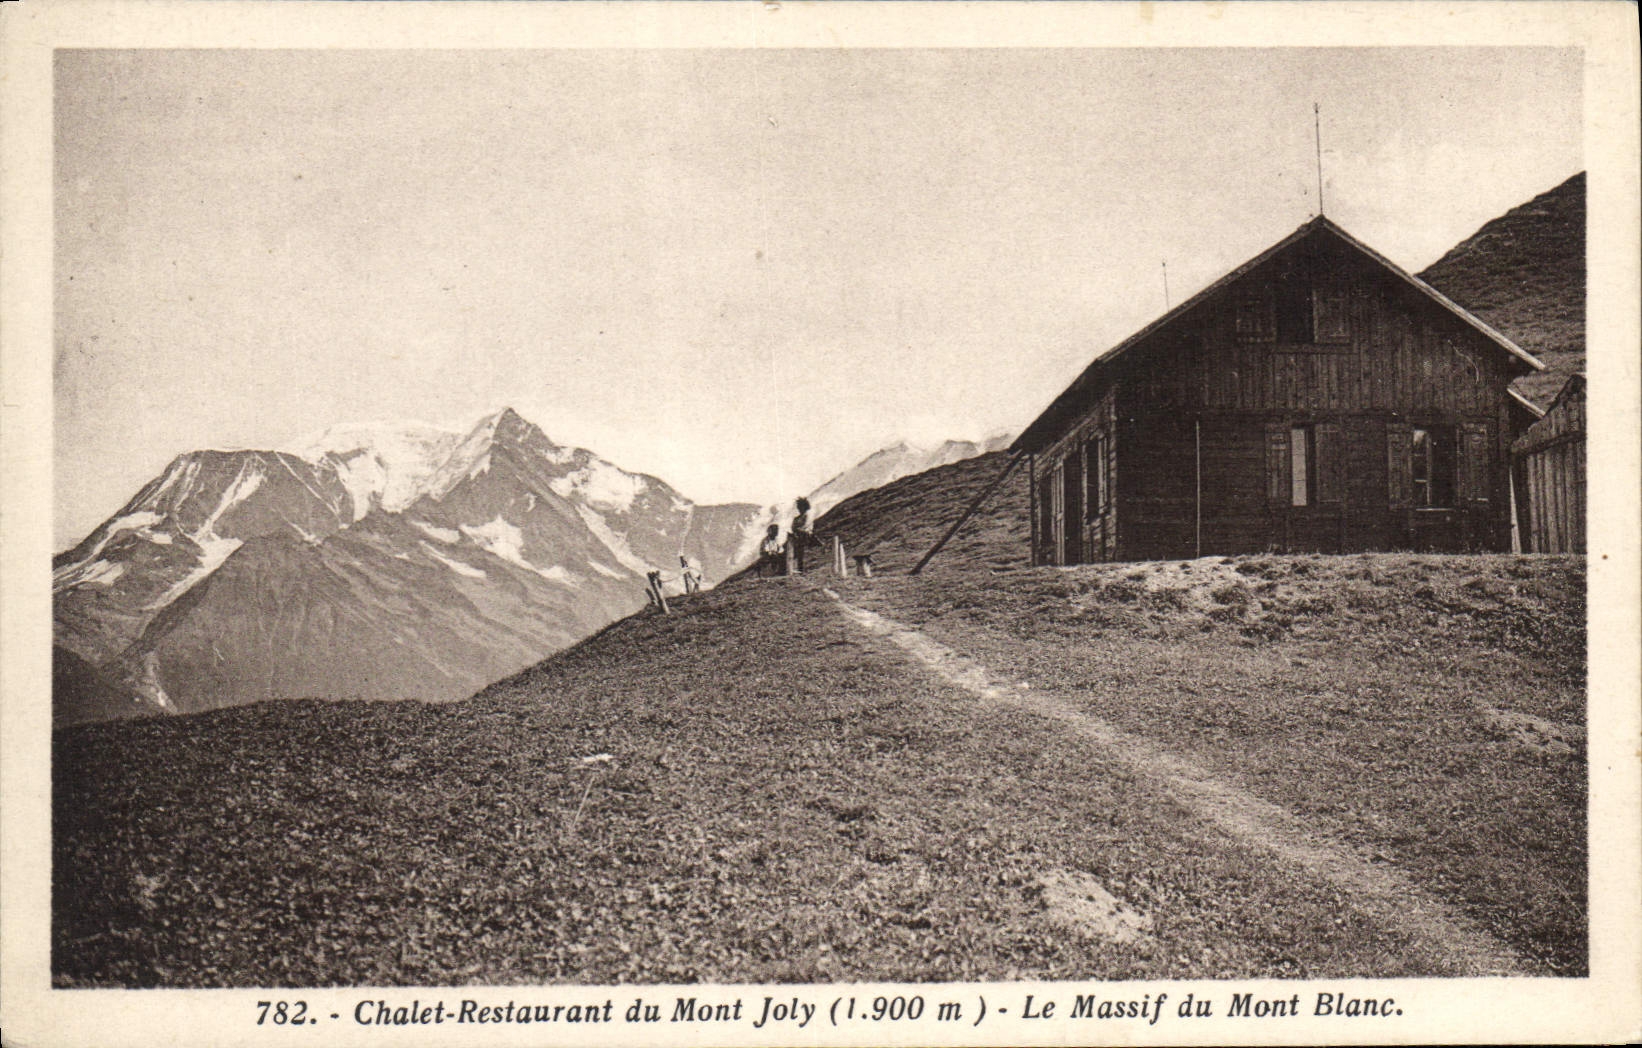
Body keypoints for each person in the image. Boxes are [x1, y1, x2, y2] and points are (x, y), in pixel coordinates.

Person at [789, 497, 813, 574]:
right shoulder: (796, 518)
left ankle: (802, 568)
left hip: (805, 536)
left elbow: (806, 526)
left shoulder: (808, 516)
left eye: (801, 507)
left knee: (802, 552)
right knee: (797, 552)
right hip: (798, 536)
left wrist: (798, 529)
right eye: (799, 507)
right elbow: (792, 527)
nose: (799, 509)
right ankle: (797, 568)